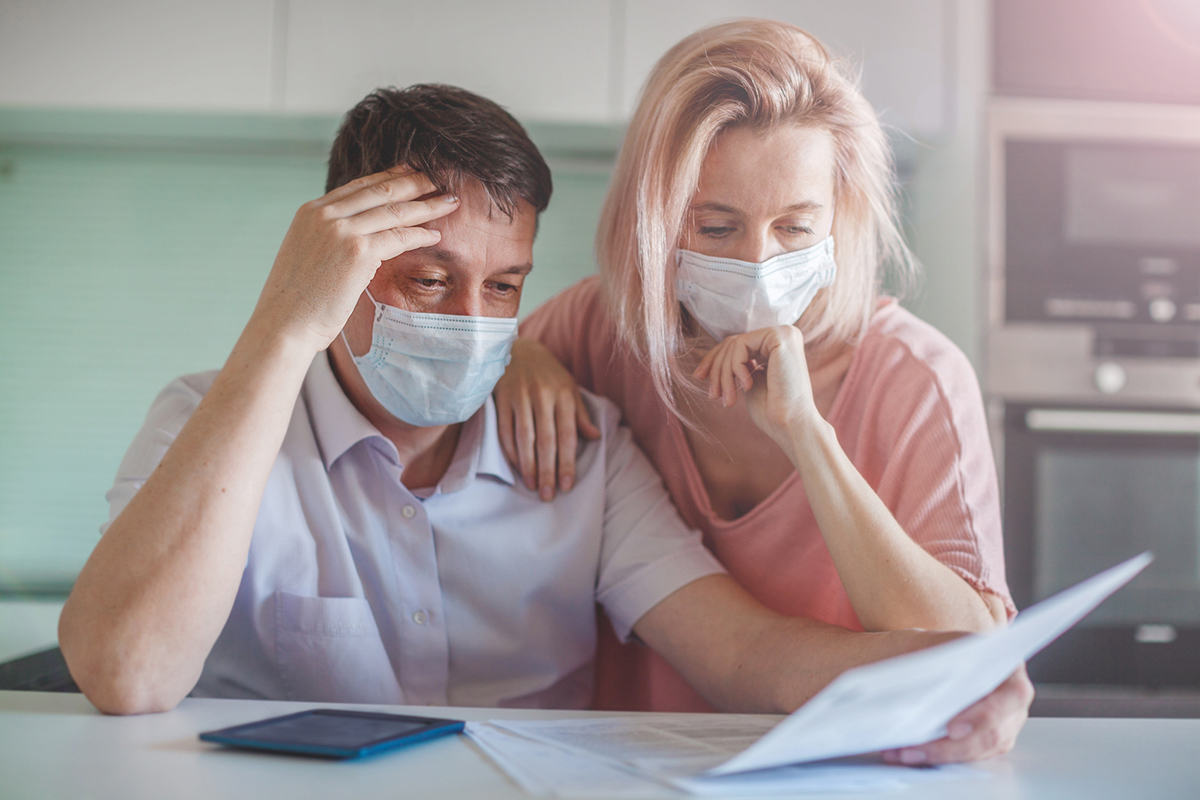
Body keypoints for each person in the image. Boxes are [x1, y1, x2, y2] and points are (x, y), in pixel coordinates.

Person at [58, 83, 964, 722]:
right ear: (337, 267)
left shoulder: (583, 450)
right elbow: (127, 674)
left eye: (502, 288)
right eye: (428, 279)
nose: (469, 320)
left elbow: (740, 653)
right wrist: (283, 328)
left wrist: (931, 676)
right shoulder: (204, 420)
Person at [495, 19, 1032, 764]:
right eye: (715, 228)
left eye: (795, 227)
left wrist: (807, 435)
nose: (756, 263)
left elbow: (967, 663)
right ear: (651, 220)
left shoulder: (918, 380)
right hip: (626, 768)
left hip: (852, 773)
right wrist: (513, 355)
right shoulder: (595, 331)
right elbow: (465, 362)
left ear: (839, 216)